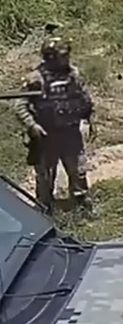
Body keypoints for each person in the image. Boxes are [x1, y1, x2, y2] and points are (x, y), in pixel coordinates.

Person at [13, 35, 95, 214]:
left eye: (67, 55)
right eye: (62, 56)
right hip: (46, 135)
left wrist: (87, 114)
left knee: (78, 171)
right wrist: (32, 126)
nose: (66, 59)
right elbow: (20, 106)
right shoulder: (35, 79)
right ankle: (44, 211)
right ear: (50, 57)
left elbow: (84, 97)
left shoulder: (73, 74)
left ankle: (81, 206)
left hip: (70, 132)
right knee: (45, 176)